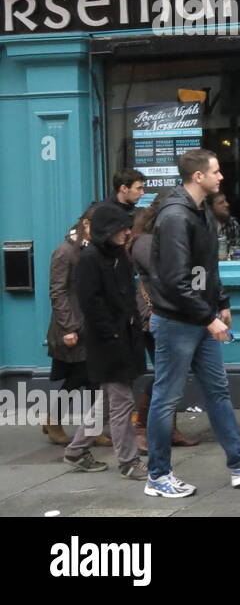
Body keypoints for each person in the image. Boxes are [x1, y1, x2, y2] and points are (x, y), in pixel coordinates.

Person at [143, 148, 240, 498]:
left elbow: (206, 265)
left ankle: (239, 462)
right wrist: (208, 317)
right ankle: (157, 476)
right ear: (197, 177)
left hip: (199, 318)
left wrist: (220, 303)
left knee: (217, 391)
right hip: (177, 321)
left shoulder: (199, 210)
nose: (221, 177)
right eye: (216, 172)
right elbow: (176, 280)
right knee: (166, 398)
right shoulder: (176, 215)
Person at [62, 204, 150, 479]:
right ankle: (128, 461)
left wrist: (133, 326)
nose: (127, 231)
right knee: (122, 403)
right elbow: (91, 303)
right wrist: (113, 334)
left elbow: (128, 296)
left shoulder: (120, 257)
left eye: (127, 226)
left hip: (125, 336)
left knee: (105, 402)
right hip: (107, 342)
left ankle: (76, 451)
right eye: (121, 227)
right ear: (106, 230)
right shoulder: (90, 259)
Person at [127, 205, 199, 454]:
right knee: (165, 374)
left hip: (163, 312)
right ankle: (142, 428)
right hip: (154, 314)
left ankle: (168, 429)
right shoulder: (145, 242)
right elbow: (168, 275)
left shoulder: (153, 240)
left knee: (171, 373)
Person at [43, 210, 98, 447]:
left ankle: (93, 429)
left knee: (95, 379)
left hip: (91, 325)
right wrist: (69, 327)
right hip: (74, 326)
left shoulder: (92, 249)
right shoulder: (64, 252)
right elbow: (58, 292)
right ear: (86, 224)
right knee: (80, 376)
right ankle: (53, 419)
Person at [209, 192, 240, 259]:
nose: (227, 204)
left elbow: (238, 247)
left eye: (225, 201)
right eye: (221, 203)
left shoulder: (233, 224)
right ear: (211, 208)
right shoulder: (204, 225)